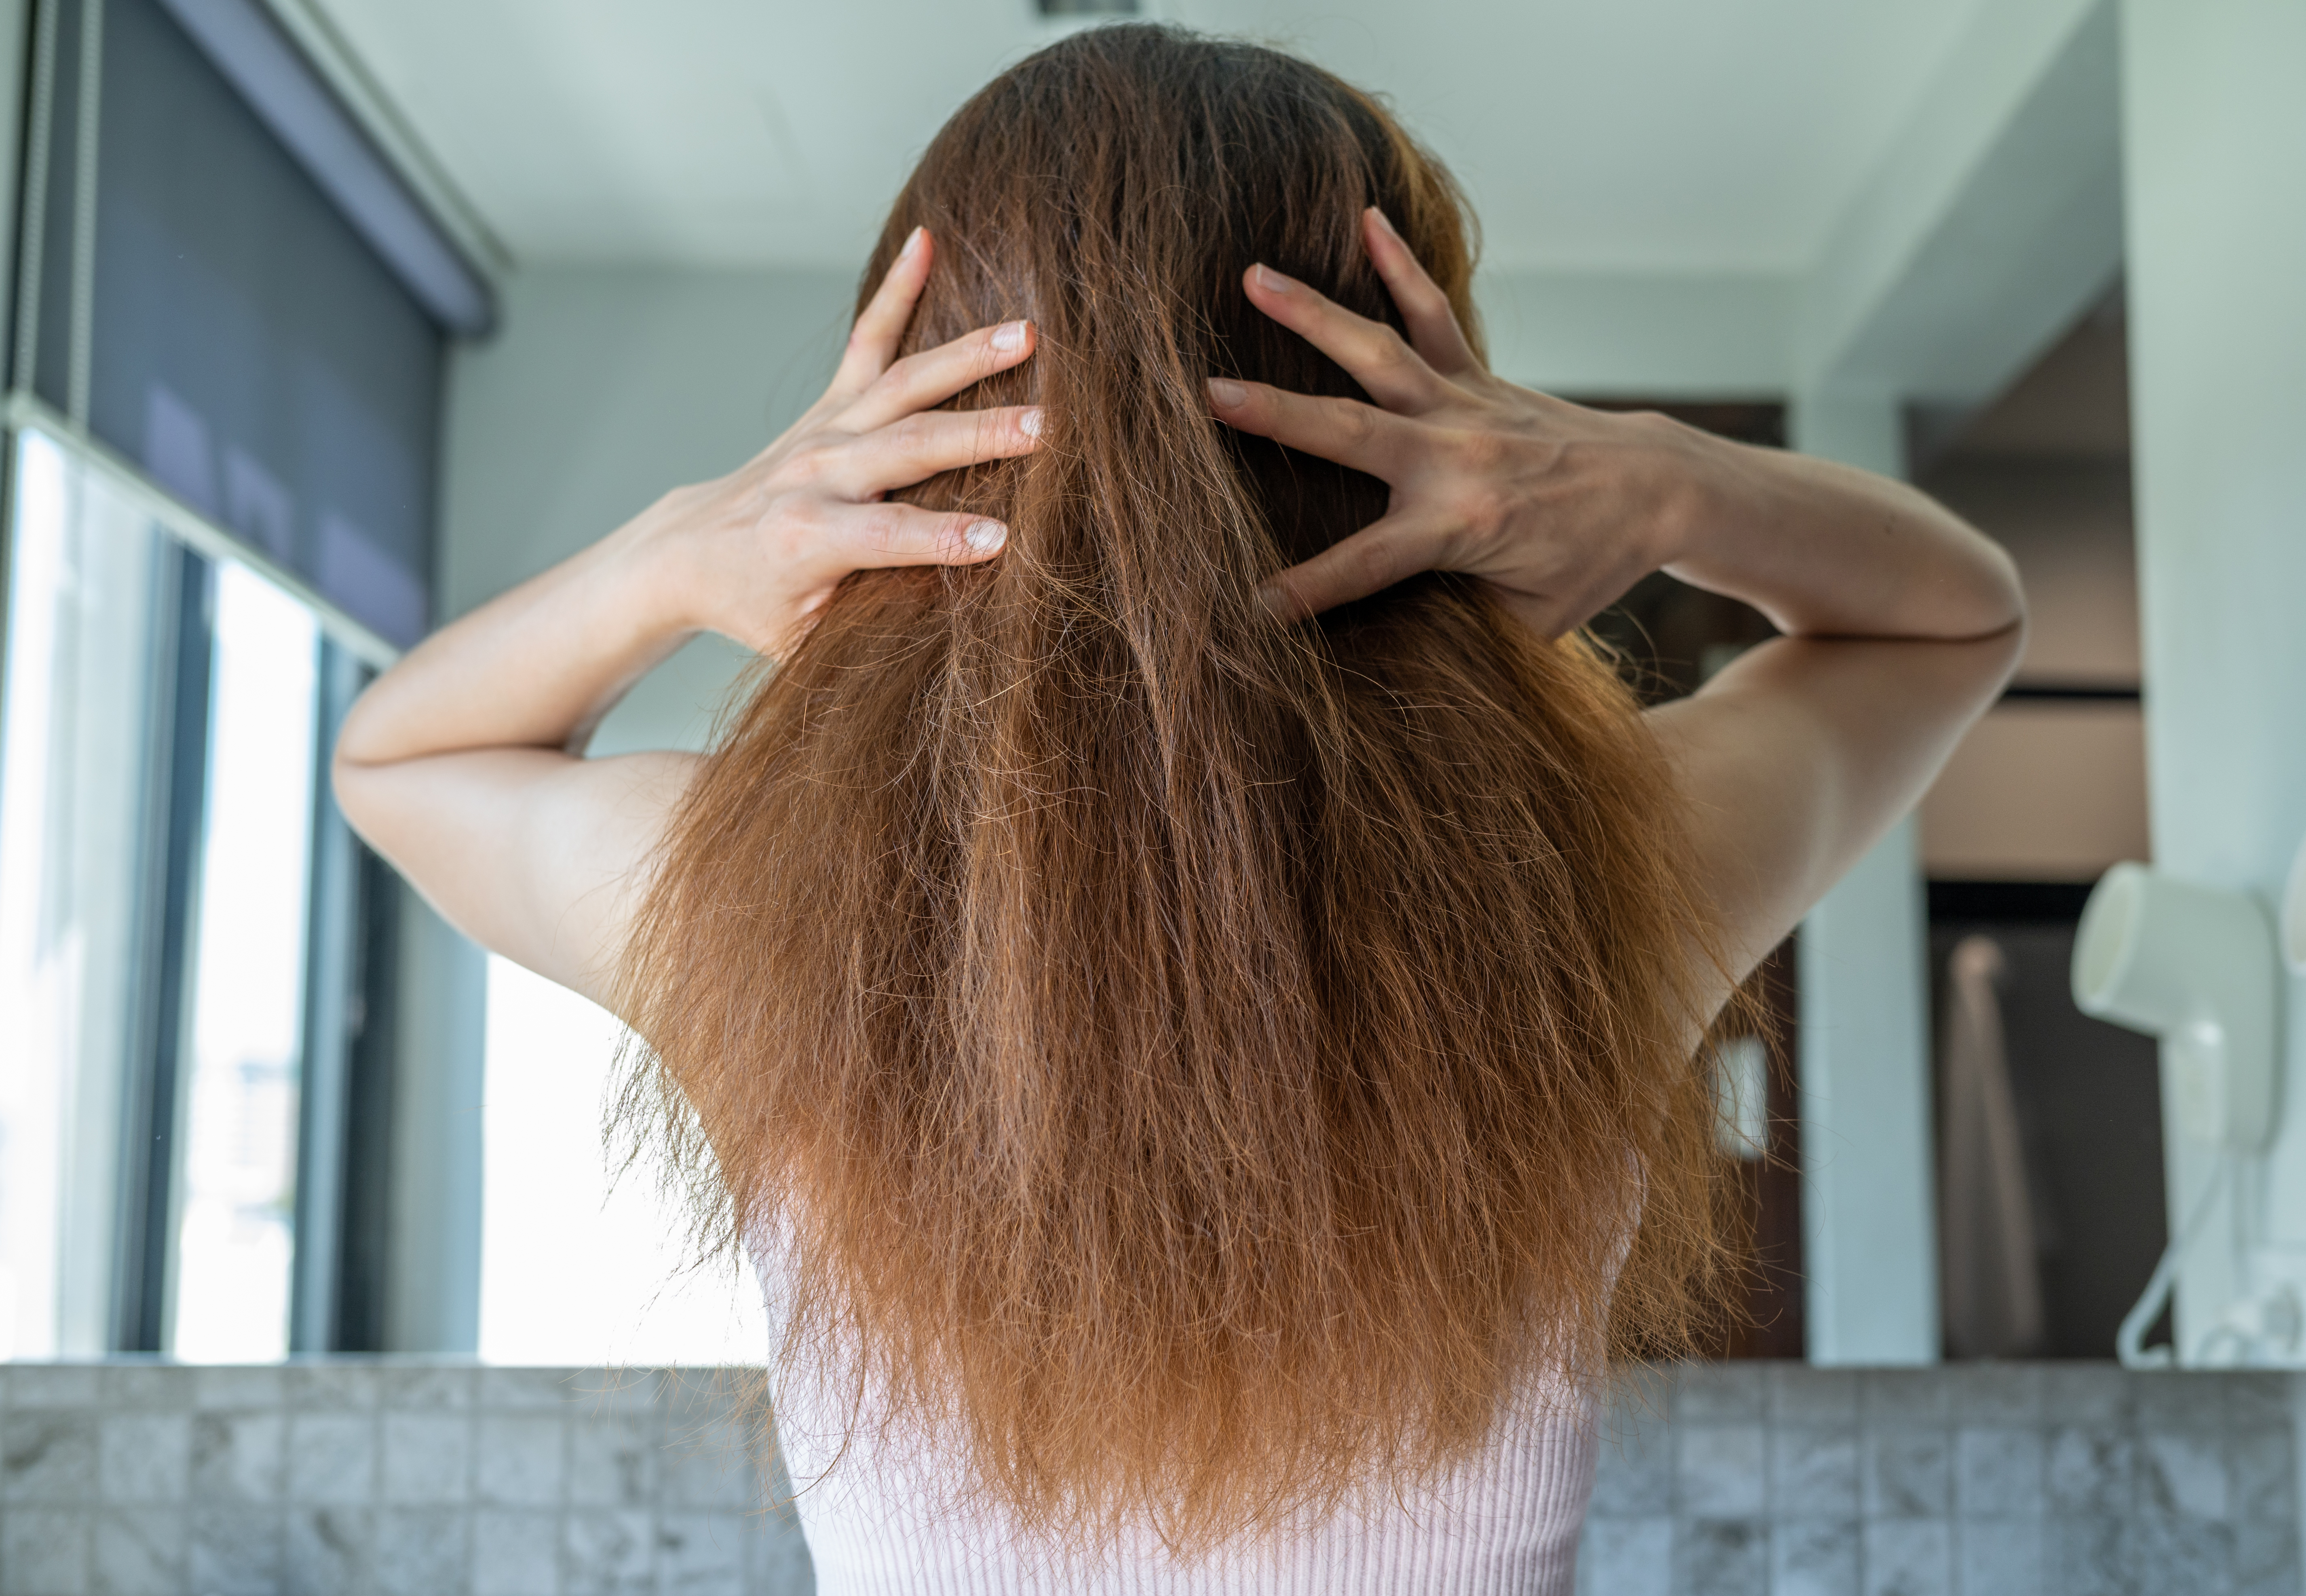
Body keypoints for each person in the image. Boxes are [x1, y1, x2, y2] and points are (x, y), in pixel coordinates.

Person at [334, 25, 2022, 1593]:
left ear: (915, 417)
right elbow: (1952, 619)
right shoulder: (1600, 882)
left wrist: (684, 546)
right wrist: (1668, 478)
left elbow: (398, 762)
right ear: (1414, 400)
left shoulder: (747, 904)